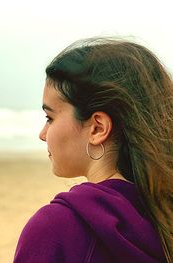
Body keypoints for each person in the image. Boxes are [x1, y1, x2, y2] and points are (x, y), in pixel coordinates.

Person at [13, 37, 173, 263]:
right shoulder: (163, 217)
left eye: (50, 118)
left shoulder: (56, 229)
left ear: (98, 128)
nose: (42, 134)